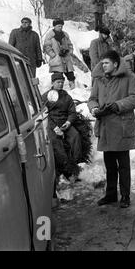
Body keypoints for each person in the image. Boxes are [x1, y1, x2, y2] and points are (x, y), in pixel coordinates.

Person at [88, 50, 135, 208]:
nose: (103, 66)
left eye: (106, 63)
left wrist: (117, 105)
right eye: (102, 63)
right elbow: (92, 99)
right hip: (105, 126)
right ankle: (111, 194)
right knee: (109, 164)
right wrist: (94, 108)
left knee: (123, 164)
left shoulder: (129, 78)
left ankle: (125, 196)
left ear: (115, 64)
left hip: (122, 126)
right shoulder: (99, 79)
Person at [42, 73, 82, 201]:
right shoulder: (46, 97)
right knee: (56, 143)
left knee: (75, 136)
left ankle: (74, 165)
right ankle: (65, 170)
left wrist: (69, 122)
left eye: (61, 82)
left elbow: (72, 112)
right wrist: (55, 128)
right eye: (57, 82)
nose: (60, 84)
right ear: (52, 83)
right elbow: (44, 113)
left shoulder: (66, 96)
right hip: (51, 124)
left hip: (64, 122)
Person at [43, 18, 76, 90]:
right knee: (58, 77)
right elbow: (47, 47)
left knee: (71, 75)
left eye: (61, 26)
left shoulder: (65, 35)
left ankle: (74, 90)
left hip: (66, 59)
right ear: (54, 26)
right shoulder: (50, 36)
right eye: (59, 26)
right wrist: (54, 55)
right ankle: (57, 91)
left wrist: (69, 52)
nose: (60, 28)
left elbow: (70, 45)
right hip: (56, 60)